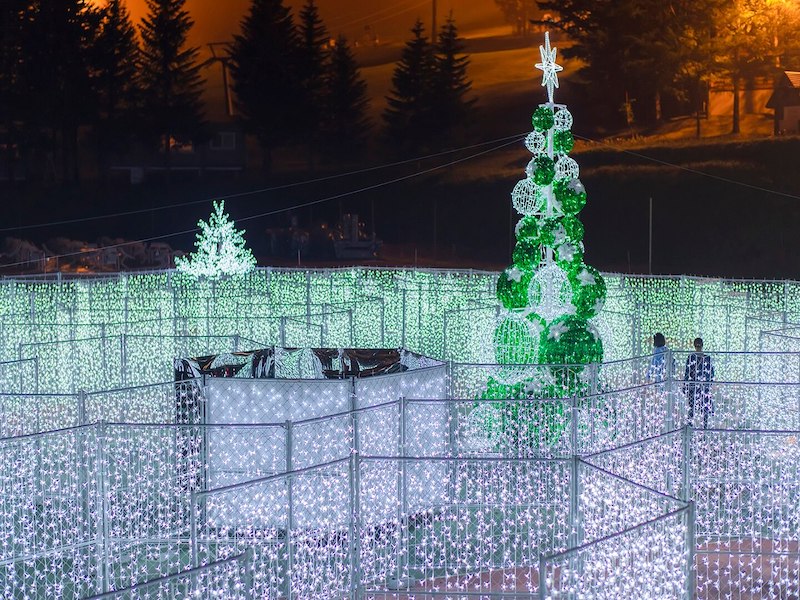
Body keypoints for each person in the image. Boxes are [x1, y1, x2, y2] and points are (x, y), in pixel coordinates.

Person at [683, 337, 715, 429]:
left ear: (694, 345)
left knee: (691, 406)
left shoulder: (691, 357)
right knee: (704, 406)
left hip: (693, 386)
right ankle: (704, 426)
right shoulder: (707, 358)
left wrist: (685, 385)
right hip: (704, 386)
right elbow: (711, 373)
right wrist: (709, 384)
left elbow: (687, 372)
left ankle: (690, 425)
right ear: (702, 345)